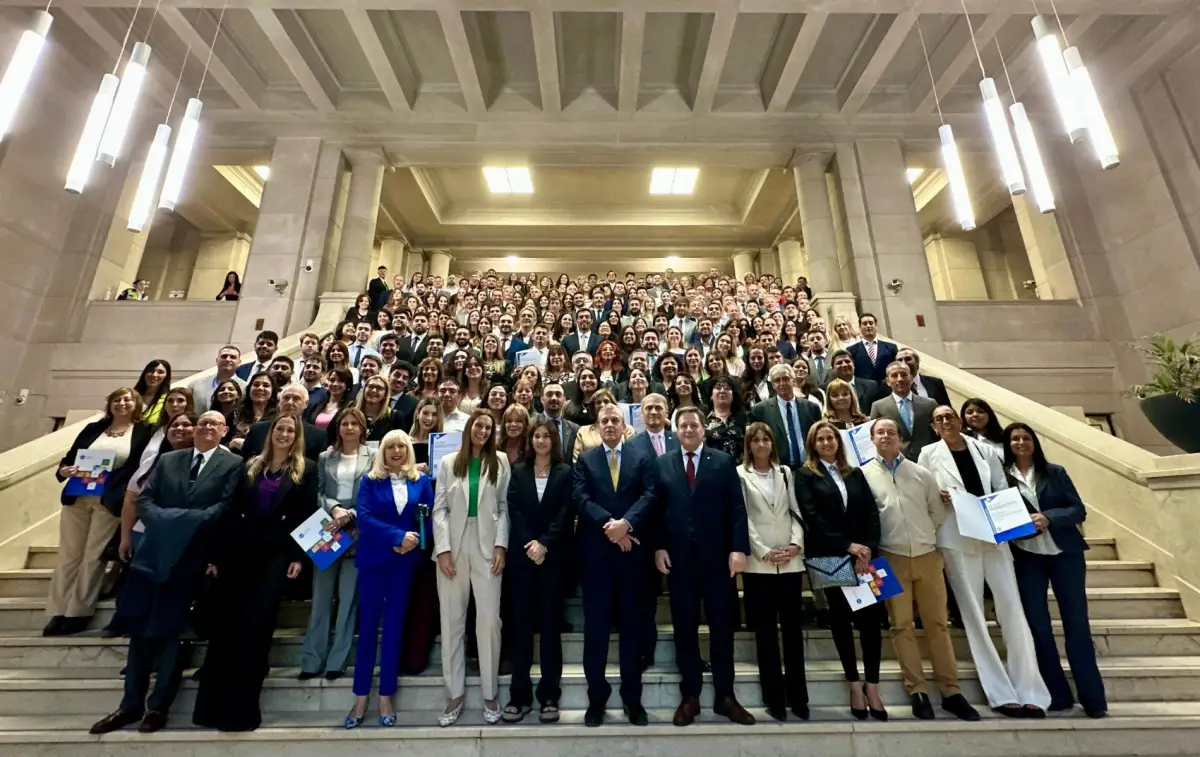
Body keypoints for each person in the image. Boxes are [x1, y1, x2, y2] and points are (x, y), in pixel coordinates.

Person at [88, 411, 242, 735]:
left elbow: (225, 506)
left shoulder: (233, 464)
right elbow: (145, 499)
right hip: (153, 557)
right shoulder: (170, 460)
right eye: (203, 423)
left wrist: (175, 521)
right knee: (140, 633)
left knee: (175, 637)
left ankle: (158, 707)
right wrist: (174, 520)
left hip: (193, 559)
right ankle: (129, 705)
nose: (207, 427)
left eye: (214, 424)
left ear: (225, 430)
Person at [919, 405, 1050, 717]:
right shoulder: (928, 454)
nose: (945, 422)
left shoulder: (985, 450)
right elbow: (927, 495)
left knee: (1012, 608)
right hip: (956, 537)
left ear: (959, 420)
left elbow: (1001, 490)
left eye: (950, 416)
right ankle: (1000, 692)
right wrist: (942, 498)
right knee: (974, 614)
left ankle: (1031, 689)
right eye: (939, 419)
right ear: (933, 426)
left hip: (994, 536)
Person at [192, 414, 316, 732]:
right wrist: (215, 555)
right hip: (236, 554)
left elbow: (307, 515)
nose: (284, 434)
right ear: (270, 432)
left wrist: (299, 557)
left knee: (256, 629)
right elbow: (230, 511)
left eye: (290, 430)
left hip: (274, 557)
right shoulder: (249, 466)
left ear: (297, 436)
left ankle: (241, 712)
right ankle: (209, 710)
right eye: (280, 429)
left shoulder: (306, 469)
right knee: (225, 629)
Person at [860, 418, 979, 722]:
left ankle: (951, 691)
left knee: (938, 624)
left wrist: (924, 536)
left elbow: (936, 513)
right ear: (872, 439)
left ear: (900, 438)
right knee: (900, 625)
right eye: (880, 432)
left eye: (891, 432)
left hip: (928, 556)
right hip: (888, 558)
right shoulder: (863, 475)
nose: (886, 436)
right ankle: (918, 690)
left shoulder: (921, 473)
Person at [653, 406, 755, 726]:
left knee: (722, 628)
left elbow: (736, 508)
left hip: (718, 560)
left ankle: (725, 696)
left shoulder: (722, 462)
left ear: (702, 429)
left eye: (693, 425)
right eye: (683, 425)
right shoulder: (663, 463)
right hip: (680, 560)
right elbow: (657, 510)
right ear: (676, 430)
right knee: (684, 629)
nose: (688, 430)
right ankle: (690, 696)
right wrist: (659, 547)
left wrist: (739, 548)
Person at [1004, 423, 1107, 719]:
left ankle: (1093, 698)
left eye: (1026, 438)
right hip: (1028, 558)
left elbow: (1077, 510)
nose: (1020, 442)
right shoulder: (1002, 478)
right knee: (1039, 628)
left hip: (1066, 556)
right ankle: (1058, 695)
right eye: (1014, 439)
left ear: (1034, 442)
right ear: (1007, 445)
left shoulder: (1055, 472)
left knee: (1077, 625)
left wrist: (1048, 517)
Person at [796, 420, 887, 721]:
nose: (826, 443)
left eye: (830, 438)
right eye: (820, 439)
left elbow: (871, 514)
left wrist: (867, 548)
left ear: (838, 442)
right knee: (841, 621)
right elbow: (812, 516)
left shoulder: (855, 473)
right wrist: (848, 545)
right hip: (828, 556)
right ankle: (854, 685)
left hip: (864, 558)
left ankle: (872, 686)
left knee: (871, 622)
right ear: (813, 444)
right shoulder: (805, 475)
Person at [345, 430, 435, 728]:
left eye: (401, 446)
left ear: (409, 450)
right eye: (390, 447)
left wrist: (412, 542)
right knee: (368, 629)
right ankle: (360, 696)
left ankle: (386, 695)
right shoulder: (370, 481)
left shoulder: (422, 482)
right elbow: (364, 517)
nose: (396, 451)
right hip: (374, 561)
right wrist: (397, 537)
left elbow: (429, 518)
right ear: (382, 451)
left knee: (395, 628)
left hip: (404, 564)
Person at [573, 404, 655, 727]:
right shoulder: (586, 459)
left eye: (615, 420)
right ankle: (597, 699)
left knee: (632, 629)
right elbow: (580, 498)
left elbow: (650, 495)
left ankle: (632, 699)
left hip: (632, 556)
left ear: (624, 426)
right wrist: (611, 526)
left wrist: (626, 525)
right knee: (596, 631)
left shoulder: (641, 457)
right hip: (596, 557)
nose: (609, 424)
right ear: (597, 426)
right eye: (604, 420)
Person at [45, 388, 150, 637]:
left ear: (136, 404)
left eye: (127, 400)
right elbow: (70, 457)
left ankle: (77, 612)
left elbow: (140, 466)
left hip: (109, 500)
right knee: (69, 555)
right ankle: (58, 610)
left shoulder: (144, 432)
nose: (121, 403)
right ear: (110, 404)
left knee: (93, 555)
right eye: (117, 399)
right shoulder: (94, 428)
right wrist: (64, 470)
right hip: (78, 495)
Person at [433, 409, 511, 726]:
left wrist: (501, 545)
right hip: (453, 545)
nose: (483, 431)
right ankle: (454, 693)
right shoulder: (448, 462)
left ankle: (490, 693)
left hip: (488, 546)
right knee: (452, 620)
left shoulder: (500, 461)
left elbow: (504, 507)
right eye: (478, 425)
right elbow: (439, 509)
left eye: (488, 427)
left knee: (489, 620)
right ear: (469, 428)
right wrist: (442, 550)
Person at [735, 422, 807, 721]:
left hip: (790, 561)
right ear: (749, 445)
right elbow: (743, 517)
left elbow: (795, 511)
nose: (761, 444)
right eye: (756, 440)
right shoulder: (740, 474)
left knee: (792, 631)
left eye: (766, 439)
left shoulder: (785, 472)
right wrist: (763, 550)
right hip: (759, 564)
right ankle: (774, 697)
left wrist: (796, 544)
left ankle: (798, 697)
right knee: (765, 633)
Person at [503, 420, 573, 723]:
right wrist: (531, 543)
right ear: (530, 441)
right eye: (537, 436)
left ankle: (549, 695)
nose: (541, 440)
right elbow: (514, 509)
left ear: (553, 440)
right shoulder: (518, 471)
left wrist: (544, 544)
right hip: (522, 558)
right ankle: (519, 696)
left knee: (550, 629)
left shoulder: (565, 472)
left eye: (546, 436)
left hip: (553, 559)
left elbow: (566, 512)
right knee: (521, 629)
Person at [299, 409, 372, 683]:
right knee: (320, 598)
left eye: (355, 423)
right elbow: (318, 491)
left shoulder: (374, 456)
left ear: (362, 428)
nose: (349, 428)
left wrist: (350, 513)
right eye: (345, 423)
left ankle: (337, 661)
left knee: (348, 601)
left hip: (358, 530)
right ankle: (311, 660)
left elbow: (374, 493)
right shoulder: (324, 457)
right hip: (327, 529)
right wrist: (335, 508)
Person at [748, 363, 821, 469]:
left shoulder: (812, 408)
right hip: (777, 468)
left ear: (793, 381)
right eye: (777, 380)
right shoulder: (760, 410)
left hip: (809, 466)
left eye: (786, 379)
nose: (782, 383)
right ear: (773, 385)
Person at [869, 361, 938, 462]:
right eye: (894, 376)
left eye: (904, 374)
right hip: (896, 461)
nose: (900, 379)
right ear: (888, 381)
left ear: (911, 378)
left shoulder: (930, 404)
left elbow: (937, 433)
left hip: (930, 459)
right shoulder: (878, 406)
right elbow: (875, 438)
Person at [241, 384, 327, 461]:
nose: (290, 402)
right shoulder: (257, 429)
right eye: (286, 398)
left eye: (296, 398)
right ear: (279, 402)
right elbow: (245, 460)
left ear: (306, 404)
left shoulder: (318, 436)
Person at [189, 345, 246, 414]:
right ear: (217, 361)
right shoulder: (195, 385)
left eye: (233, 357)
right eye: (224, 356)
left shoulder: (246, 388)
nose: (228, 359)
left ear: (239, 362)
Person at [846, 313, 896, 384]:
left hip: (888, 386)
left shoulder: (891, 348)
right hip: (864, 388)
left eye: (871, 323)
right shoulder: (851, 350)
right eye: (865, 324)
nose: (868, 326)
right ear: (860, 327)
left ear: (876, 326)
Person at [704, 376, 745, 458]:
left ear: (733, 395)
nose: (722, 391)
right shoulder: (702, 420)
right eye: (718, 388)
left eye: (727, 388)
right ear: (711, 395)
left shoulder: (745, 419)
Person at [135, 360, 172, 425]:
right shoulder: (132, 396)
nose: (154, 375)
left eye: (160, 372)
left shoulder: (169, 400)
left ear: (166, 376)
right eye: (151, 371)